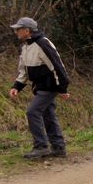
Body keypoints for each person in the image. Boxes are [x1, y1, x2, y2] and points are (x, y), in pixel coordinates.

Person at [9, 17, 71, 158]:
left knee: (32, 112)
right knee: (48, 114)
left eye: (18, 29)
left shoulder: (43, 43)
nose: (16, 32)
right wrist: (17, 87)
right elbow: (24, 71)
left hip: (50, 86)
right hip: (40, 87)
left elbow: (58, 66)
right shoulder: (25, 46)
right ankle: (59, 147)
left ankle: (41, 146)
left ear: (27, 30)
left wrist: (62, 88)